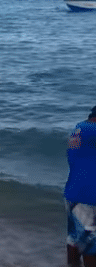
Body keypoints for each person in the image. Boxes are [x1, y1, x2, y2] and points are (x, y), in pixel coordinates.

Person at [64, 106, 96, 267]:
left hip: (73, 193)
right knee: (91, 245)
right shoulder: (93, 131)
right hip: (88, 197)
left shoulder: (79, 129)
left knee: (74, 239)